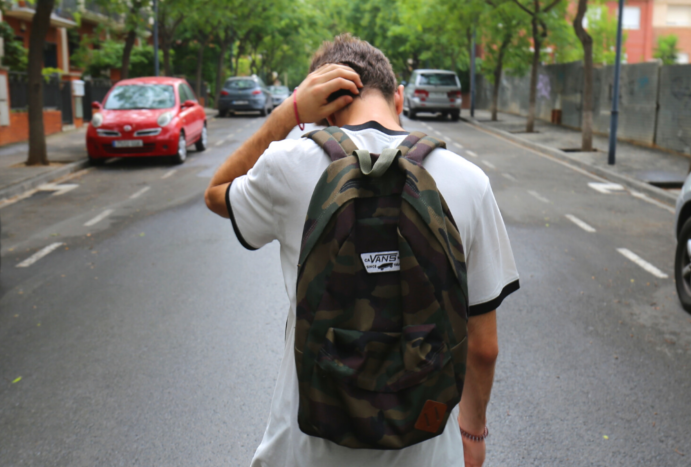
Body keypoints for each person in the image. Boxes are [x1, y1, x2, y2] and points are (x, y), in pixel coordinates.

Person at [205, 34, 519, 467]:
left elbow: (216, 191)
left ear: (324, 107)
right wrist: (473, 432)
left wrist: (287, 115)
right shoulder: (468, 180)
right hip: (426, 454)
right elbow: (483, 347)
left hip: (304, 452)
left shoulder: (287, 166)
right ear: (399, 97)